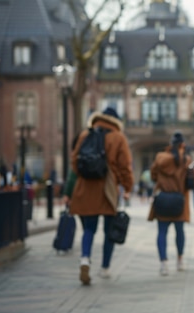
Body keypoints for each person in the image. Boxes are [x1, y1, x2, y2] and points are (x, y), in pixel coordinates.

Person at [70, 107, 133, 285]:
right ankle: (105, 267)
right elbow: (125, 166)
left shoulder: (84, 135)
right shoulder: (118, 137)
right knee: (109, 231)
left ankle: (84, 259)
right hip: (108, 188)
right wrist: (127, 186)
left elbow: (74, 162)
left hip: (86, 187)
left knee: (89, 229)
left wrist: (84, 176)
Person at [148, 131, 192, 276]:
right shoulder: (185, 159)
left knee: (162, 231)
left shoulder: (160, 158)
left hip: (163, 199)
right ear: (182, 145)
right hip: (179, 200)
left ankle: (163, 263)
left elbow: (153, 176)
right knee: (179, 231)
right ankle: (180, 260)